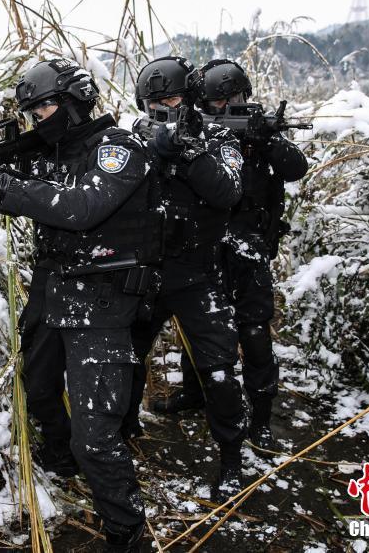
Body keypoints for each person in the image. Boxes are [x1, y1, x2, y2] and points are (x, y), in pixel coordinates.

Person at [0, 58, 162, 552]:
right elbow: (18, 185)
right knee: (38, 392)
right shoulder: (45, 152)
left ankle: (126, 531)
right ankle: (64, 468)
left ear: (78, 100)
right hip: (53, 287)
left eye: (46, 105)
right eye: (32, 110)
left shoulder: (118, 150)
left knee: (96, 435)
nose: (39, 117)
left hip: (103, 300)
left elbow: (81, 208)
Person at [153, 59, 309, 452]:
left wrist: (266, 138)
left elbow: (295, 168)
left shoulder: (257, 127)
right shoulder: (197, 129)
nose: (225, 107)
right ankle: (195, 394)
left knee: (254, 333)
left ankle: (260, 417)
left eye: (233, 98)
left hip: (249, 249)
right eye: (215, 101)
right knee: (197, 328)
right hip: (205, 247)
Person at [125, 56, 248, 499]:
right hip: (149, 273)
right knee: (128, 359)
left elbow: (228, 191)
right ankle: (125, 433)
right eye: (153, 101)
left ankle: (231, 457)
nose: (162, 108)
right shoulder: (137, 137)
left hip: (199, 275)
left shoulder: (218, 138)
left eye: (171, 98)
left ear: (191, 98)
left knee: (218, 371)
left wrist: (188, 152)